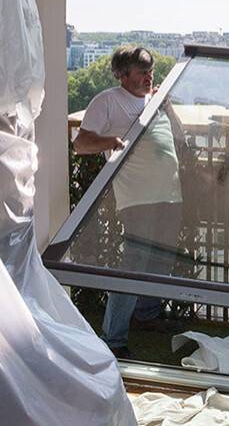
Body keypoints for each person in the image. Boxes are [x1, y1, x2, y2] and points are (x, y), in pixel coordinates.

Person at [73, 46, 184, 358]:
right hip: (137, 197)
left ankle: (148, 313)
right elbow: (80, 144)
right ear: (122, 75)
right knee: (134, 263)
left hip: (169, 193)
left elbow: (175, 135)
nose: (149, 77)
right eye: (141, 72)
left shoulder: (155, 99)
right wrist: (110, 142)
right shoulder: (107, 101)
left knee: (161, 258)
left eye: (150, 71)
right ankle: (113, 339)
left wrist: (167, 105)